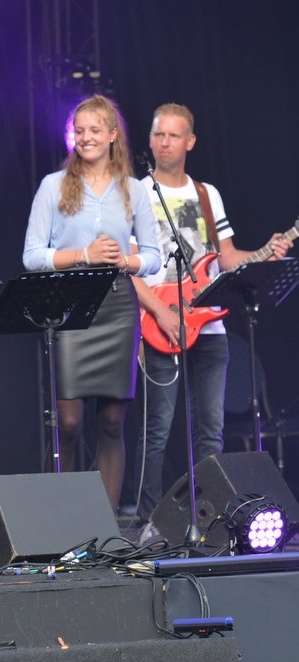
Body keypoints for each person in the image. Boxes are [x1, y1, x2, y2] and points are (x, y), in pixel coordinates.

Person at [132, 103, 291, 525]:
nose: (165, 142)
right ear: (150, 139)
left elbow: (224, 257)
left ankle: (211, 519)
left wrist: (265, 252)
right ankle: (148, 521)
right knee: (157, 428)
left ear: (190, 142)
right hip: (160, 319)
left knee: (210, 429)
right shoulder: (136, 193)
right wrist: (160, 313)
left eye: (173, 135)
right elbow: (128, 266)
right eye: (158, 134)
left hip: (208, 322)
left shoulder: (207, 194)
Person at [22, 95, 163, 512]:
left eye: (94, 130)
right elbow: (32, 256)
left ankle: (103, 526)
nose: (85, 138)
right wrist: (83, 254)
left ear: (112, 135)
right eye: (78, 130)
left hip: (118, 306)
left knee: (112, 423)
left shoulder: (134, 189)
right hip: (70, 304)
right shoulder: (53, 185)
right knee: (68, 423)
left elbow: (153, 256)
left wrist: (128, 261)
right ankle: (60, 518)